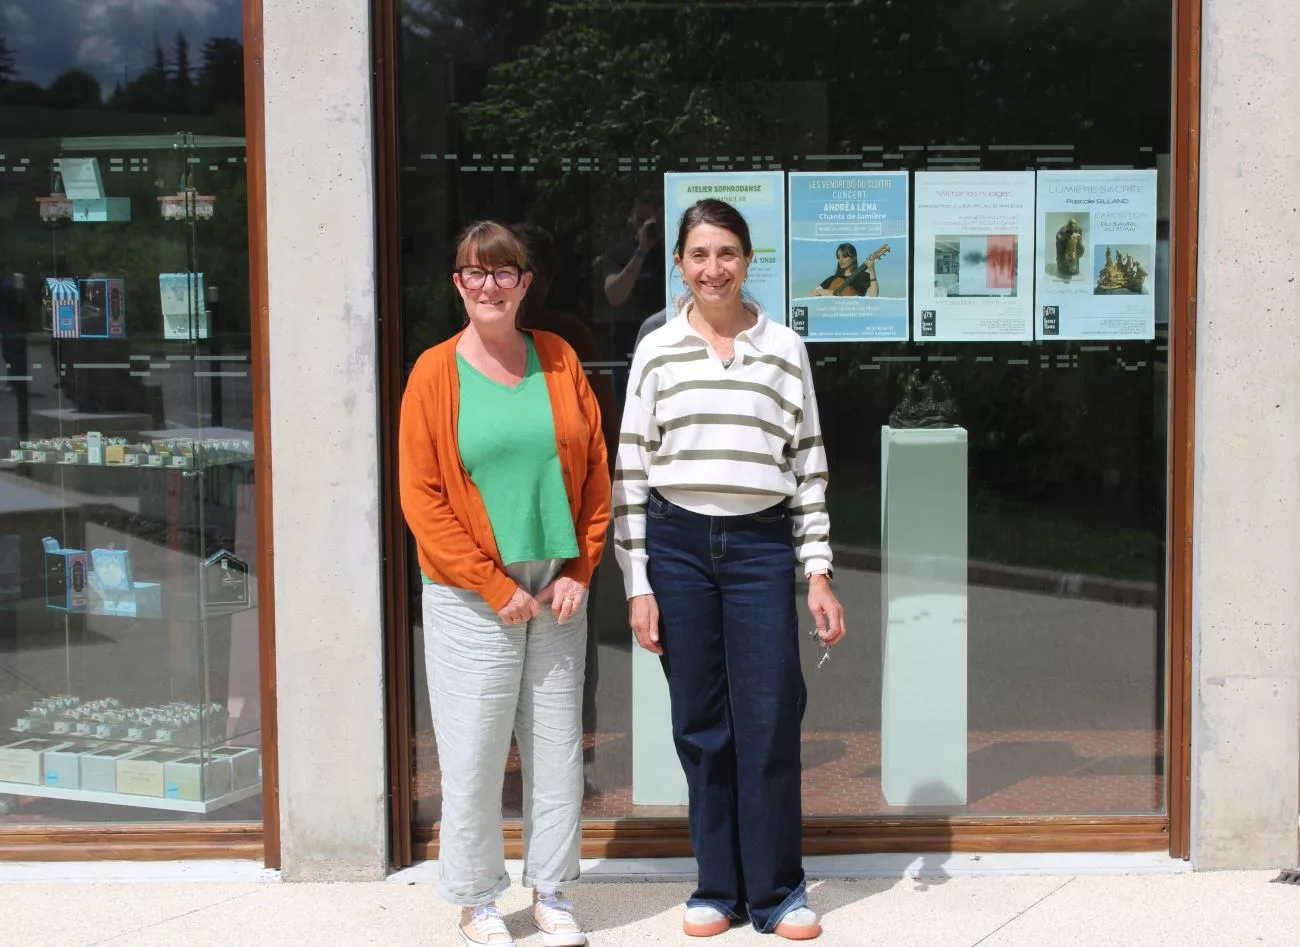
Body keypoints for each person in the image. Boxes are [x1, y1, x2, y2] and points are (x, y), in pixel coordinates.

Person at [613, 199, 847, 941]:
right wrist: (638, 581)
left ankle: (778, 890)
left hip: (760, 546)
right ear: (679, 263)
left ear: (748, 261)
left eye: (727, 254)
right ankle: (719, 884)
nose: (713, 268)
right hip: (679, 547)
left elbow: (809, 463)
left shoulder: (784, 348)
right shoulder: (657, 349)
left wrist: (817, 570)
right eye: (699, 254)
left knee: (771, 716)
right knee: (701, 722)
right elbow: (630, 471)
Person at [399, 221, 611, 947]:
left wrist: (581, 566)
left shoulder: (558, 358)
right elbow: (422, 499)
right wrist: (494, 586)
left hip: (557, 592)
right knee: (475, 753)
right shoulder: (434, 372)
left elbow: (595, 474)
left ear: (525, 282)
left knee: (557, 753)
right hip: (471, 598)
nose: (490, 285)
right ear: (458, 284)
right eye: (474, 273)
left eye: (504, 271)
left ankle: (551, 889)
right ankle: (476, 897)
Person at [600, 190, 666, 361]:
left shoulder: (673, 254)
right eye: (641, 220)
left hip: (664, 340)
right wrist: (641, 251)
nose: (646, 226)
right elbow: (615, 296)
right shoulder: (619, 253)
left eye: (652, 222)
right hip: (626, 343)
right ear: (631, 218)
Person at [808, 242, 879, 297]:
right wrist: (820, 292)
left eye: (844, 256)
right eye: (838, 257)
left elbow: (874, 296)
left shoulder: (863, 276)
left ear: (853, 257)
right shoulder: (833, 279)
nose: (840, 260)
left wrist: (872, 270)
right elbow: (811, 294)